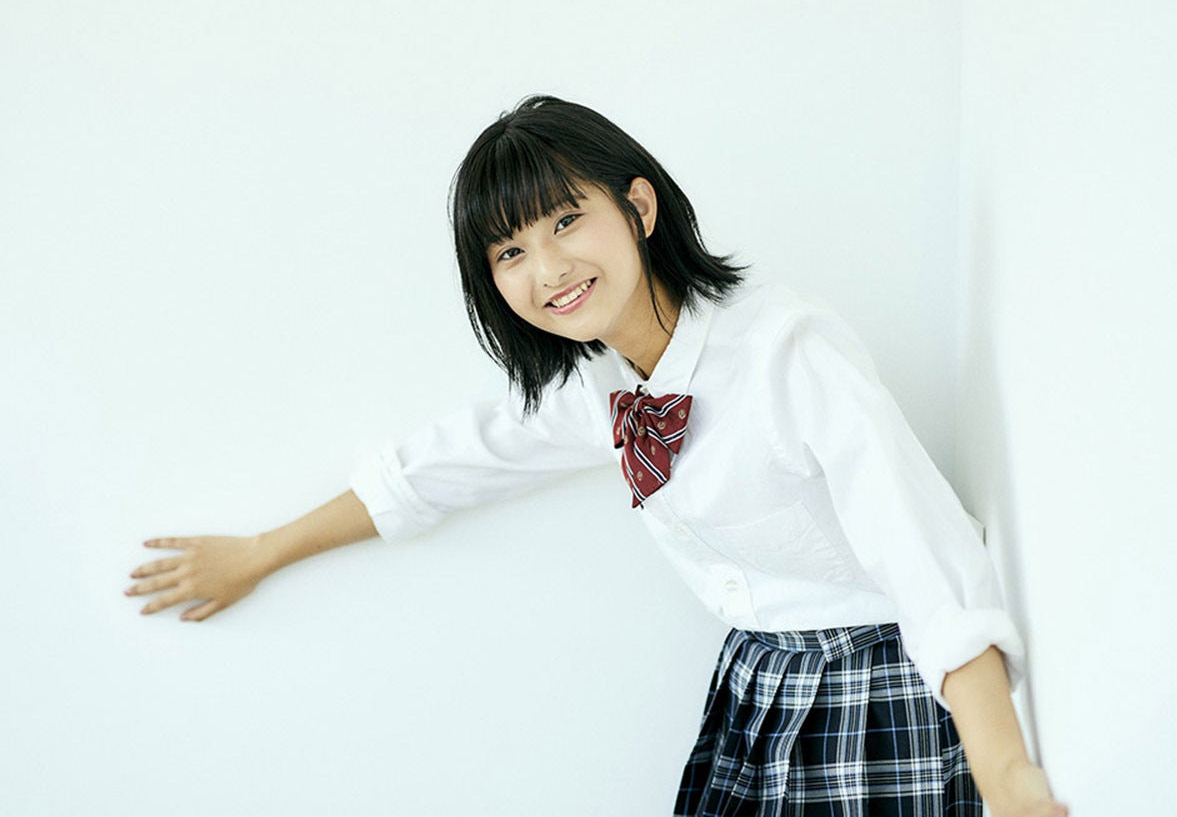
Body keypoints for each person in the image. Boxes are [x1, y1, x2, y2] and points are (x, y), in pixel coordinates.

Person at [126, 95, 1068, 816]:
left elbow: (932, 564)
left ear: (639, 207)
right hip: (754, 691)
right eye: (509, 251)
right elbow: (440, 467)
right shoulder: (598, 386)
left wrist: (1008, 775)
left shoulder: (787, 351)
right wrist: (260, 551)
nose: (547, 270)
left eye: (565, 221)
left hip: (881, 689)